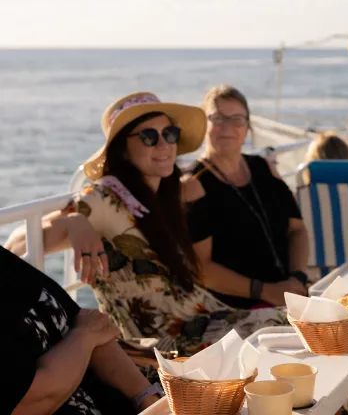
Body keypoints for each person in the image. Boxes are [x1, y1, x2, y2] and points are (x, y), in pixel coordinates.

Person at [6, 92, 286, 357]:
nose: (164, 145)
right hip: (161, 347)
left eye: (170, 134)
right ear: (123, 150)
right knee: (289, 326)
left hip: (206, 321)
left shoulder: (164, 196)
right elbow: (19, 243)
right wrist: (74, 221)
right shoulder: (104, 198)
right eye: (149, 136)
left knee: (299, 319)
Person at [184, 85, 310, 309]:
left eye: (237, 119)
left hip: (289, 294)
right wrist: (265, 291)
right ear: (204, 124)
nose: (227, 127)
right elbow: (201, 269)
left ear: (247, 128)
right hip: (235, 308)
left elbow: (297, 229)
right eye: (218, 118)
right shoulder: (193, 186)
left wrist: (297, 278)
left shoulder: (263, 168)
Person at [1, 245, 161, 415]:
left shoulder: (9, 266)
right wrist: (83, 337)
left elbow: (93, 325)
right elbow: (33, 401)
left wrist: (148, 399)